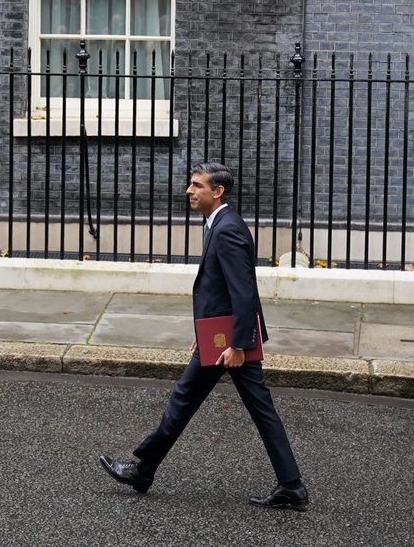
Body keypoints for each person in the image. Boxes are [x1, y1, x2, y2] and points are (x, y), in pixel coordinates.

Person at [98, 161, 308, 510]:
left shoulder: (227, 229)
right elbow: (223, 290)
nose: (189, 191)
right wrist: (206, 332)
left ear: (218, 191)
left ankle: (143, 470)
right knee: (209, 404)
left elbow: (243, 292)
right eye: (190, 185)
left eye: (197, 185)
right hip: (220, 337)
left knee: (190, 402)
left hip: (231, 343)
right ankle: (291, 485)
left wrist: (239, 344)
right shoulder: (218, 224)